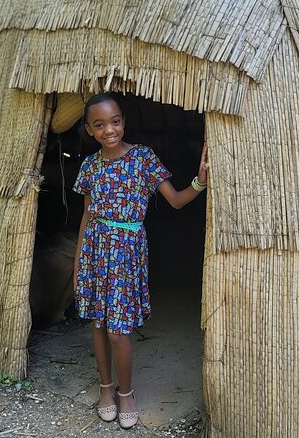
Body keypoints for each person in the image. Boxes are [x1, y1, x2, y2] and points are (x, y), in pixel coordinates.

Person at [72, 93, 208, 429]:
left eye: (115, 121)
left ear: (123, 121)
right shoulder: (90, 166)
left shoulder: (143, 158)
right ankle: (106, 388)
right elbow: (88, 215)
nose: (109, 130)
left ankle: (126, 393)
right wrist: (77, 266)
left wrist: (200, 181)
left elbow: (175, 200)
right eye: (100, 124)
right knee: (99, 324)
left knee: (119, 331)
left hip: (128, 253)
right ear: (89, 129)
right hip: (95, 251)